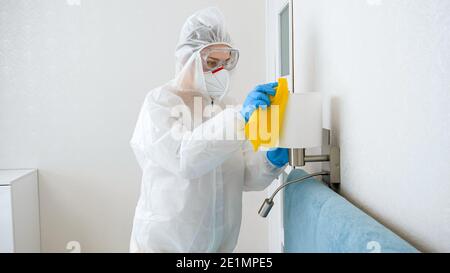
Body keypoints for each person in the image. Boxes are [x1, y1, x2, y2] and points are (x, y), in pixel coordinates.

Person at [129, 7, 289, 253]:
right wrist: (239, 118)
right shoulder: (160, 103)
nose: (220, 72)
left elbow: (243, 175)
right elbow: (185, 159)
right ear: (186, 60)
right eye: (212, 63)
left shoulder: (225, 107)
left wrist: (270, 161)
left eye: (225, 64)